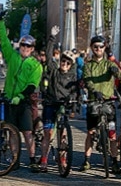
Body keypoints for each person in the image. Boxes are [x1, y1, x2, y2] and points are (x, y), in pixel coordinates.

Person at [0, 4, 43, 172]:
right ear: (20, 46)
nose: (25, 49)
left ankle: (32, 160)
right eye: (23, 46)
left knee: (28, 132)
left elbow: (32, 85)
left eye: (28, 47)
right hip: (9, 99)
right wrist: (0, 21)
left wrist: (21, 96)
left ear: (32, 49)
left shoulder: (36, 65)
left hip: (24, 102)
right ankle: (15, 160)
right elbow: (3, 40)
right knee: (12, 133)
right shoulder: (12, 56)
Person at [80, 35, 121, 172]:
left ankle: (115, 161)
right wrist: (94, 90)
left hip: (108, 101)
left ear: (104, 48)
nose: (98, 49)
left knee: (112, 134)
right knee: (90, 132)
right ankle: (86, 160)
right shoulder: (88, 65)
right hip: (94, 101)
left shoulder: (109, 64)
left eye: (101, 46)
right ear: (92, 48)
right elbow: (87, 79)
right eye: (95, 47)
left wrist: (117, 72)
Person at [39, 26, 78, 173]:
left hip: (64, 105)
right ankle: (43, 160)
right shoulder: (54, 71)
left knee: (63, 135)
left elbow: (75, 92)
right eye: (63, 61)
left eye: (68, 63)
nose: (65, 64)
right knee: (48, 134)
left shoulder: (72, 76)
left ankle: (62, 159)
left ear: (71, 65)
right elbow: (48, 56)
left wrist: (74, 108)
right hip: (50, 104)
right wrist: (52, 38)